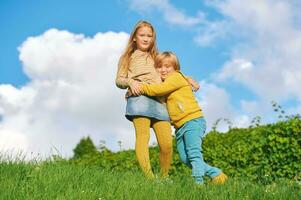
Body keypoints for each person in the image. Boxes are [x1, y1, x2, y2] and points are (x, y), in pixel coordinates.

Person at [137, 51, 228, 185]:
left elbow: (157, 90)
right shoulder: (174, 79)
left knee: (194, 154)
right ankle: (217, 175)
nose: (163, 70)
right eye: (160, 66)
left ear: (175, 68)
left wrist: (140, 87)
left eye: (167, 66)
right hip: (180, 127)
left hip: (192, 121)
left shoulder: (175, 78)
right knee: (185, 158)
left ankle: (198, 185)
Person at [115, 21, 173, 179]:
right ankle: (150, 179)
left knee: (167, 144)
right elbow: (119, 79)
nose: (146, 39)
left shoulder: (157, 58)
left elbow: (170, 74)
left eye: (150, 36)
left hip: (159, 101)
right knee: (143, 137)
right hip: (139, 98)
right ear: (134, 37)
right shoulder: (127, 57)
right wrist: (130, 82)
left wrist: (187, 79)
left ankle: (164, 177)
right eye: (142, 35)